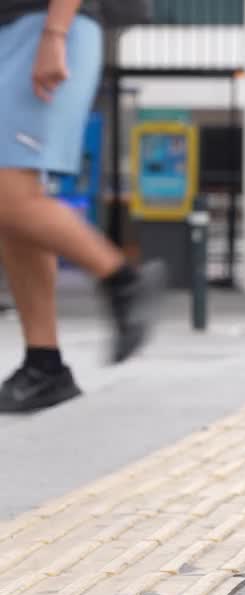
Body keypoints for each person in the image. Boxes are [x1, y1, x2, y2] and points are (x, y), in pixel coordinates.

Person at [0, 0, 155, 414]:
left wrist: (56, 32)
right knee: (13, 213)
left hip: (41, 27)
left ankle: (125, 281)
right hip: (19, 30)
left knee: (9, 194)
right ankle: (44, 364)